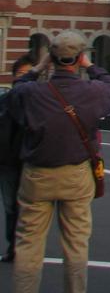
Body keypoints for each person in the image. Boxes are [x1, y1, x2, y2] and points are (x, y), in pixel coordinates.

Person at [9, 30, 110, 293]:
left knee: (28, 243)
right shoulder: (92, 91)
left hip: (37, 175)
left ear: (52, 58)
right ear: (80, 57)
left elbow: (16, 90)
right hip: (76, 175)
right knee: (76, 243)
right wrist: (91, 67)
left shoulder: (32, 92)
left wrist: (38, 67)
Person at [1, 54, 34, 263]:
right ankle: (13, 247)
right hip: (7, 163)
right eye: (21, 74)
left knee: (30, 208)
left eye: (29, 74)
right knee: (11, 207)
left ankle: (26, 248)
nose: (24, 78)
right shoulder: (4, 101)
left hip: (32, 162)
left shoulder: (41, 103)